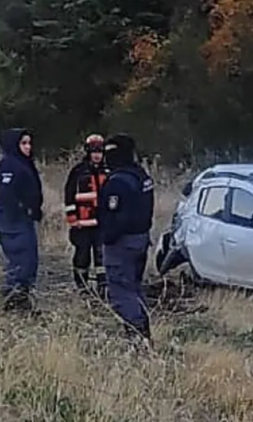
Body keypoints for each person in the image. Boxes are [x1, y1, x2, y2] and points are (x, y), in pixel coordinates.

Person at [98, 133, 155, 347]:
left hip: (122, 243)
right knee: (134, 287)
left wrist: (107, 237)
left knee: (121, 290)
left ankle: (138, 336)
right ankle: (140, 330)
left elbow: (115, 217)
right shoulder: (142, 176)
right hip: (141, 239)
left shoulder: (117, 182)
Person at [0, 128, 43, 311]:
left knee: (30, 259)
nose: (28, 147)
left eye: (29, 143)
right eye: (23, 143)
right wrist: (24, 208)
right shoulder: (9, 165)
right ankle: (12, 299)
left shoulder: (24, 163)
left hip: (23, 217)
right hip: (12, 218)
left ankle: (21, 299)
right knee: (21, 258)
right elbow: (7, 193)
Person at [64, 134, 110, 301]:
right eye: (94, 151)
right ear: (88, 152)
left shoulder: (108, 171)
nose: (97, 155)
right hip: (82, 223)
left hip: (102, 223)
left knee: (101, 256)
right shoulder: (78, 171)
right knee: (82, 255)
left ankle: (103, 287)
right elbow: (69, 195)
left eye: (100, 151)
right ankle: (82, 286)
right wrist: (72, 218)